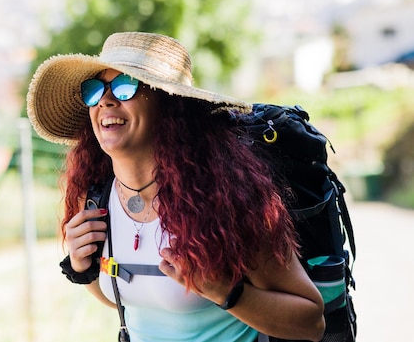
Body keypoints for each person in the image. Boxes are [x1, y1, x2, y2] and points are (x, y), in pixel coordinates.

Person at [26, 32, 325, 342]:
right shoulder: (95, 200)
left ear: (169, 106)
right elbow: (129, 300)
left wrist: (226, 292)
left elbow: (312, 322)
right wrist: (82, 266)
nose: (106, 100)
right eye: (94, 90)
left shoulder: (225, 199)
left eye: (126, 86)